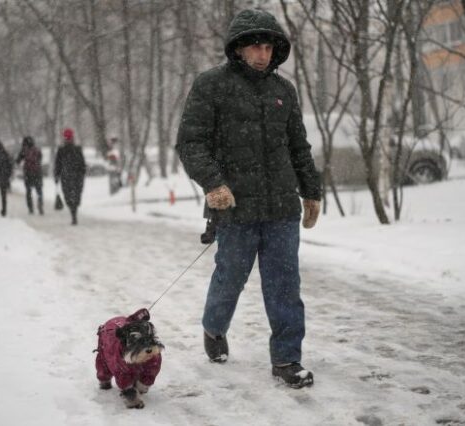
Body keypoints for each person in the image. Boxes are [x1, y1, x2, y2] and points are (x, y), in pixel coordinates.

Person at [175, 9, 321, 389]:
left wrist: (312, 190)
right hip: (235, 209)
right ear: (239, 48)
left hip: (280, 211)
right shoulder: (211, 85)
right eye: (256, 45)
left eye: (269, 45)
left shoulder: (282, 91)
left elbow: (298, 147)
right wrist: (212, 184)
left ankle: (287, 359)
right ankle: (214, 327)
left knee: (284, 286)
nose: (263, 53)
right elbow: (191, 142)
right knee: (230, 279)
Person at [54, 128, 86, 225]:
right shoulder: (77, 149)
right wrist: (82, 173)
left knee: (68, 196)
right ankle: (74, 212)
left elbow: (57, 164)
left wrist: (56, 175)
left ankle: (73, 212)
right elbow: (82, 163)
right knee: (76, 195)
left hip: (66, 177)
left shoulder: (61, 150)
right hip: (77, 177)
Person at [16, 136, 44, 215]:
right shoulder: (37, 150)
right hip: (37, 173)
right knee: (39, 190)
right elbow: (40, 159)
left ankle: (30, 208)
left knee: (28, 191)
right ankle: (40, 204)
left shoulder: (24, 150)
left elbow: (18, 161)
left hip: (28, 173)